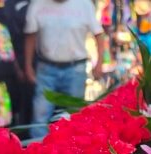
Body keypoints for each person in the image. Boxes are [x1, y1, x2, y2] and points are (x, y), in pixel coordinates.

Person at [24, 0, 104, 138]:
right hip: (46, 69)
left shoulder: (84, 4)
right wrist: (28, 66)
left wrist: (99, 63)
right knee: (40, 118)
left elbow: (99, 34)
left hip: (75, 70)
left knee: (74, 117)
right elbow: (30, 36)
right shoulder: (38, 4)